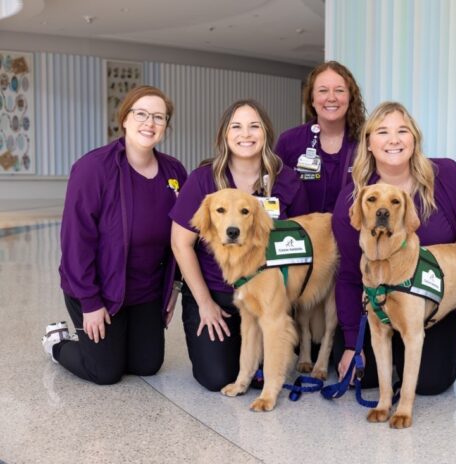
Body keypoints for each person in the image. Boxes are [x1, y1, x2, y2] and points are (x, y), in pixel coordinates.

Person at [331, 101, 456, 394]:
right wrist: (351, 343)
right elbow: (349, 275)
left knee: (430, 383)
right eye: (383, 132)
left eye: (403, 130)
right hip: (378, 304)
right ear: (369, 144)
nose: (394, 139)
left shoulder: (447, 174)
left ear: (415, 139)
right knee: (364, 377)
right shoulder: (356, 198)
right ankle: (390, 358)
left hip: (431, 305)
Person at [42, 85, 187, 385]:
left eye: (159, 117)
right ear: (124, 118)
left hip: (145, 291)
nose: (150, 123)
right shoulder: (93, 168)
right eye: (142, 114)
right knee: (105, 372)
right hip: (99, 289)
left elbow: (182, 237)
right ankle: (57, 343)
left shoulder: (174, 172)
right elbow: (75, 242)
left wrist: (174, 286)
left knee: (147, 365)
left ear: (165, 126)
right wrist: (90, 303)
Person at [170, 100, 309, 391]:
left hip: (267, 296)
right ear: (224, 134)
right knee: (218, 378)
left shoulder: (286, 180)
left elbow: (300, 244)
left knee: (262, 377)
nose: (245, 134)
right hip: (215, 295)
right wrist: (204, 303)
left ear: (266, 133)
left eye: (254, 126)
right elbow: (181, 244)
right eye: (236, 126)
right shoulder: (202, 180)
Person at [275, 61, 366, 213]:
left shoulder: (366, 142)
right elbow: (274, 196)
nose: (331, 98)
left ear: (350, 98)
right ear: (312, 99)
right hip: (301, 234)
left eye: (339, 90)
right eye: (323, 91)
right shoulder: (289, 142)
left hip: (352, 235)